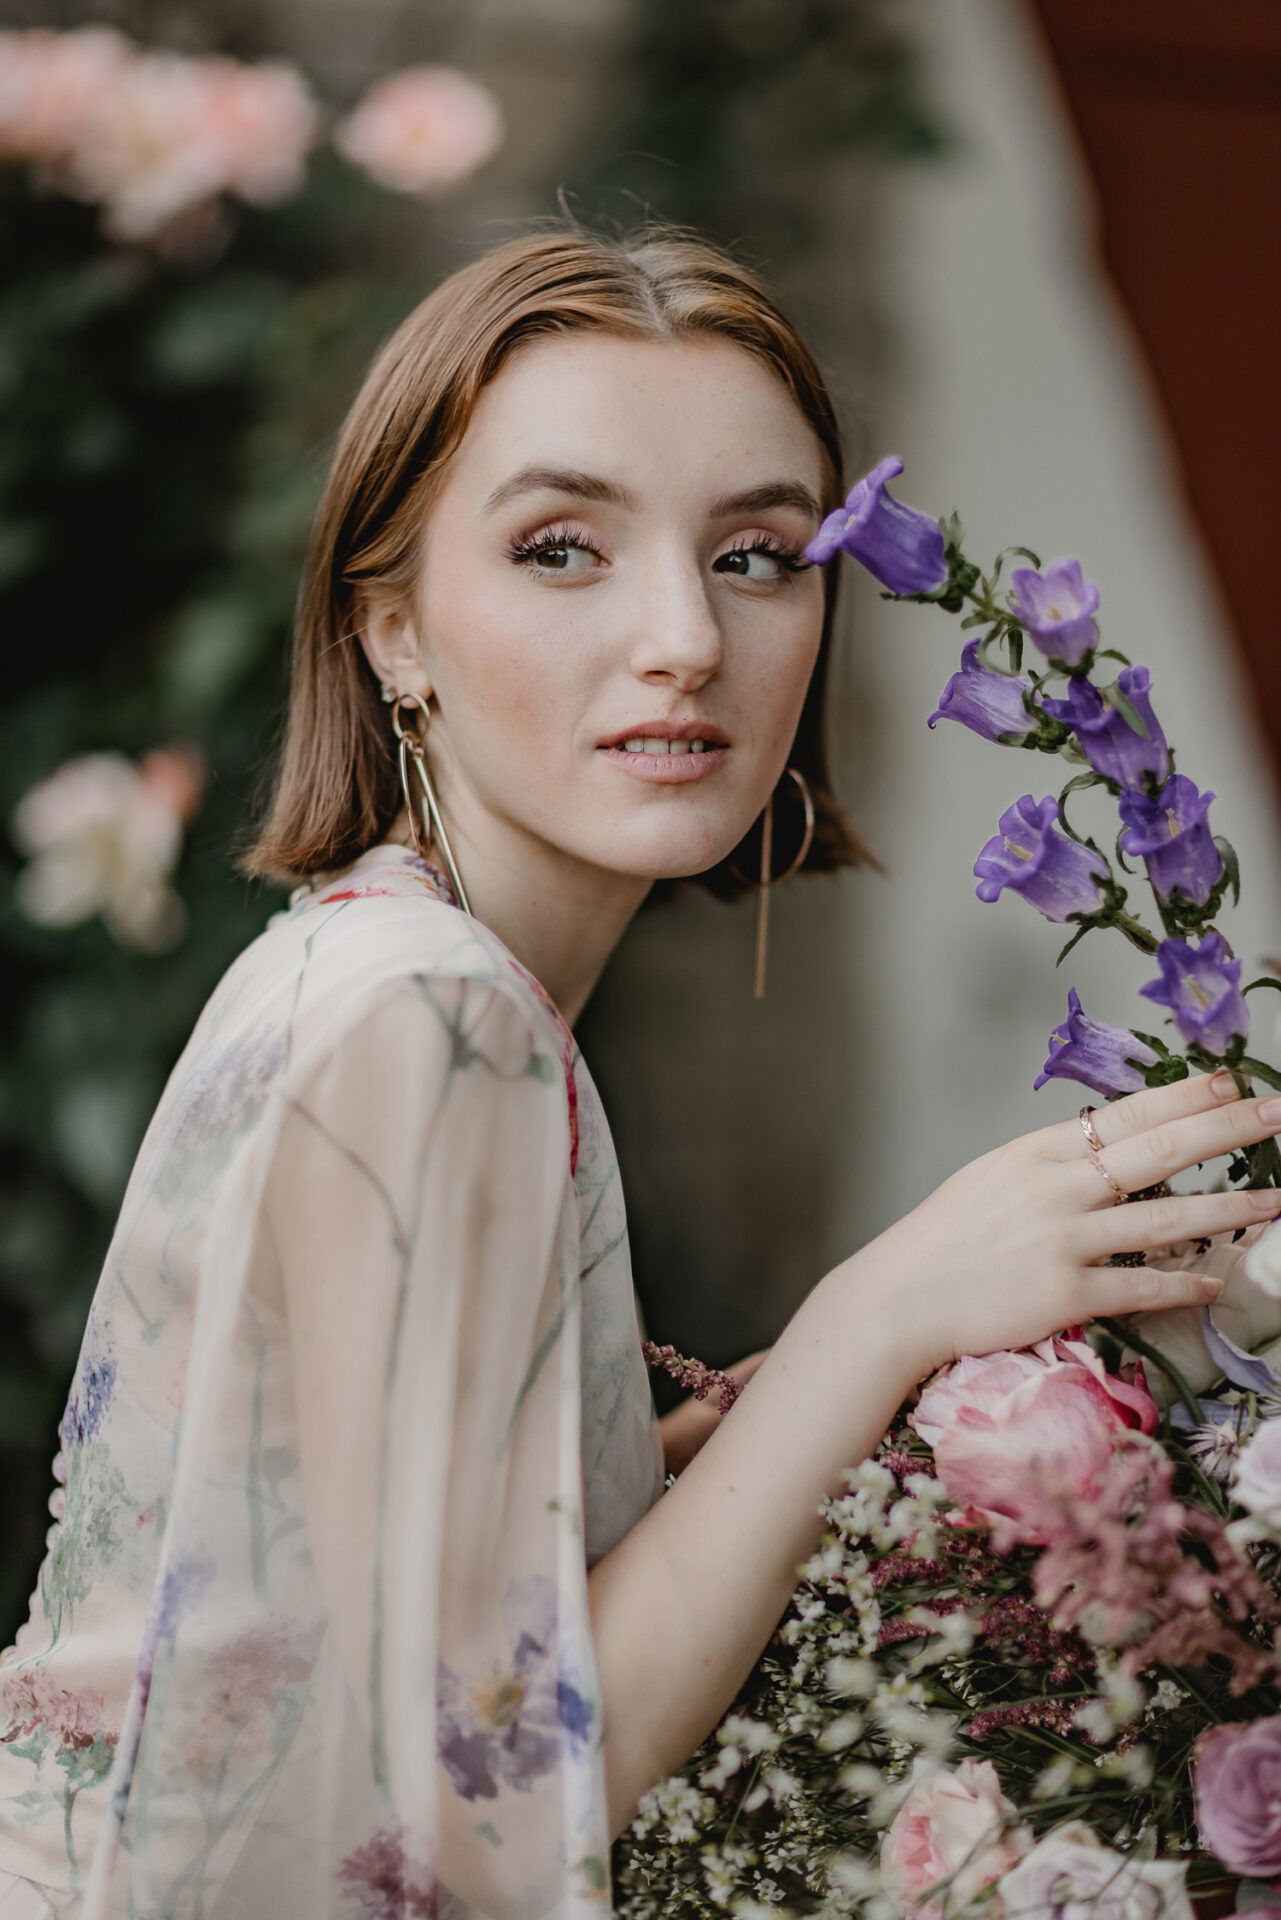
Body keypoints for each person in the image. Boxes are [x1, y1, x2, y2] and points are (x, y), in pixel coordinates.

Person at [1, 220, 1278, 1920]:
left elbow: (415, 1588)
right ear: (390, 629)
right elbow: (497, 1811)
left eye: (757, 555)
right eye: (560, 549)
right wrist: (877, 1311)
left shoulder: (380, 966)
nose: (684, 635)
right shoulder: (428, 1010)